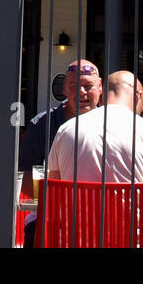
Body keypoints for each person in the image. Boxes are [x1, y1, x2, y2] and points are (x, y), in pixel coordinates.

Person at [46, 70, 143, 225]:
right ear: (138, 96)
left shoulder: (66, 130)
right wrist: (133, 211)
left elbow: (52, 200)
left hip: (76, 240)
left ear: (101, 98)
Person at [18, 59, 102, 199]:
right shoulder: (41, 125)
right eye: (74, 86)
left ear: (100, 87)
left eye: (88, 86)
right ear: (64, 89)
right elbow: (24, 174)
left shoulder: (112, 126)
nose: (81, 92)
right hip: (54, 212)